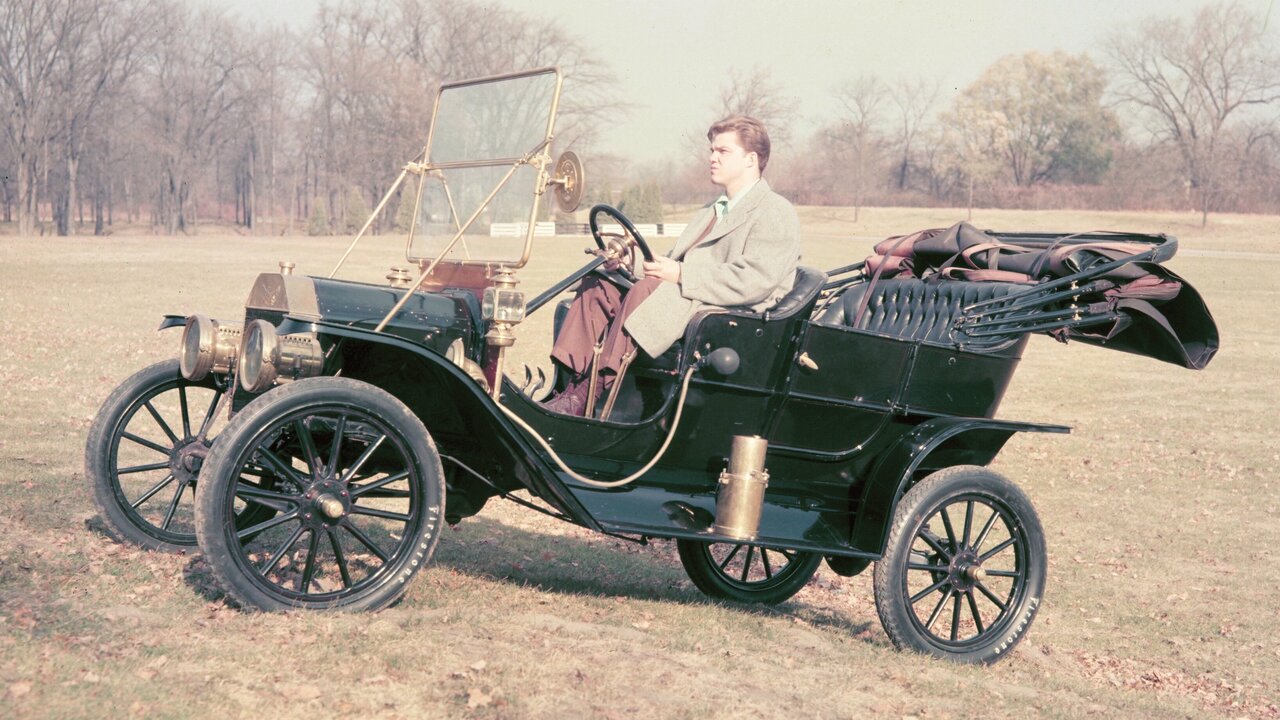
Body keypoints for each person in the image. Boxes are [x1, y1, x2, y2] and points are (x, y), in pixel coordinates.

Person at [544, 115, 802, 416]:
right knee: (599, 284)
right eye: (712, 150)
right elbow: (674, 261)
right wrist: (628, 261)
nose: (712, 158)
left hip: (732, 315)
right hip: (693, 295)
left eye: (723, 151)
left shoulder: (774, 211)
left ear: (751, 159)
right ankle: (568, 387)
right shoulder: (714, 209)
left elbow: (754, 281)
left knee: (650, 291)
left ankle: (591, 393)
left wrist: (680, 274)